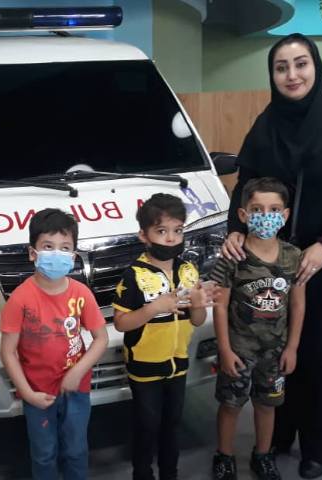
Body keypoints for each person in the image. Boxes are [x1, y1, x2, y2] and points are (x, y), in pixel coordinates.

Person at [221, 33, 322, 479]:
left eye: (301, 63)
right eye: (281, 67)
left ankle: (320, 446)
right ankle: (280, 432)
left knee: (320, 351)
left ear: (316, 66)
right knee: (275, 346)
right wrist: (235, 231)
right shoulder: (266, 124)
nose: (292, 74)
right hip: (272, 258)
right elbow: (246, 185)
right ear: (272, 75)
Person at [0, 208, 109, 480]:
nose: (57, 254)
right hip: (37, 393)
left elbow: (101, 339)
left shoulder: (81, 293)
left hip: (76, 391)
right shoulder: (20, 299)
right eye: (48, 247)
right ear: (32, 253)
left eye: (65, 248)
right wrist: (27, 393)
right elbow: (8, 352)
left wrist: (77, 372)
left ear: (73, 256)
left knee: (76, 450)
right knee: (44, 453)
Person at [112, 193, 213, 480]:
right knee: (147, 425)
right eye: (161, 231)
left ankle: (170, 473)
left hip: (178, 363)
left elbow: (197, 320)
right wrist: (153, 308)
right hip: (144, 365)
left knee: (173, 424)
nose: (170, 238)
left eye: (177, 230)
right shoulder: (133, 275)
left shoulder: (188, 271)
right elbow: (121, 323)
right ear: (144, 235)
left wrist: (198, 304)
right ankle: (142, 473)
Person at [210, 178, 306, 480]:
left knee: (267, 405)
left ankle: (262, 455)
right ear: (243, 214)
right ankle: (224, 457)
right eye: (257, 209)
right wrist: (224, 350)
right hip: (238, 351)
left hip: (275, 352)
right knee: (231, 405)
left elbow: (297, 305)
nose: (266, 216)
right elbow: (219, 306)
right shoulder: (232, 256)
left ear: (285, 215)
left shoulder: (293, 256)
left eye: (274, 209)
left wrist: (292, 348)